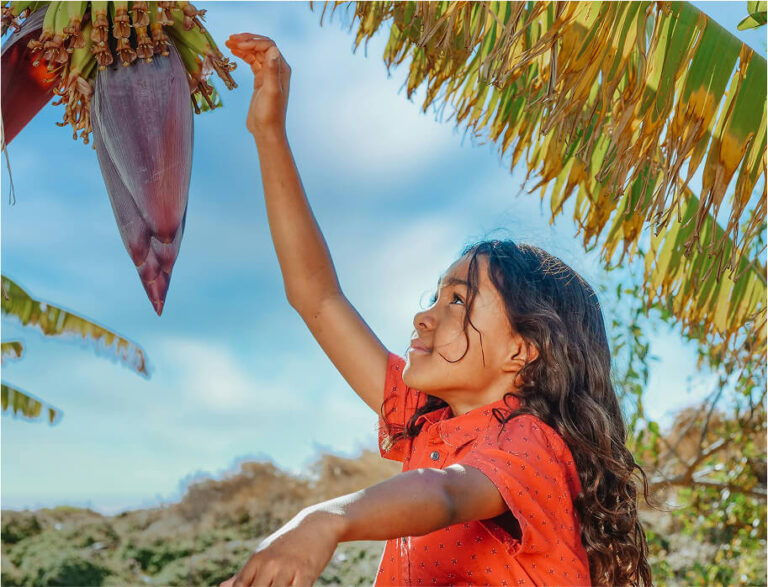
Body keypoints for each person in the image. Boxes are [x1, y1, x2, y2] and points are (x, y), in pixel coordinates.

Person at [220, 32, 654, 587]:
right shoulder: (429, 421)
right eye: (435, 296)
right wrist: (269, 132)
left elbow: (448, 492)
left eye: (458, 301)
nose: (424, 317)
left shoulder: (532, 445)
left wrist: (323, 519)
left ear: (522, 350)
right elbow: (317, 296)